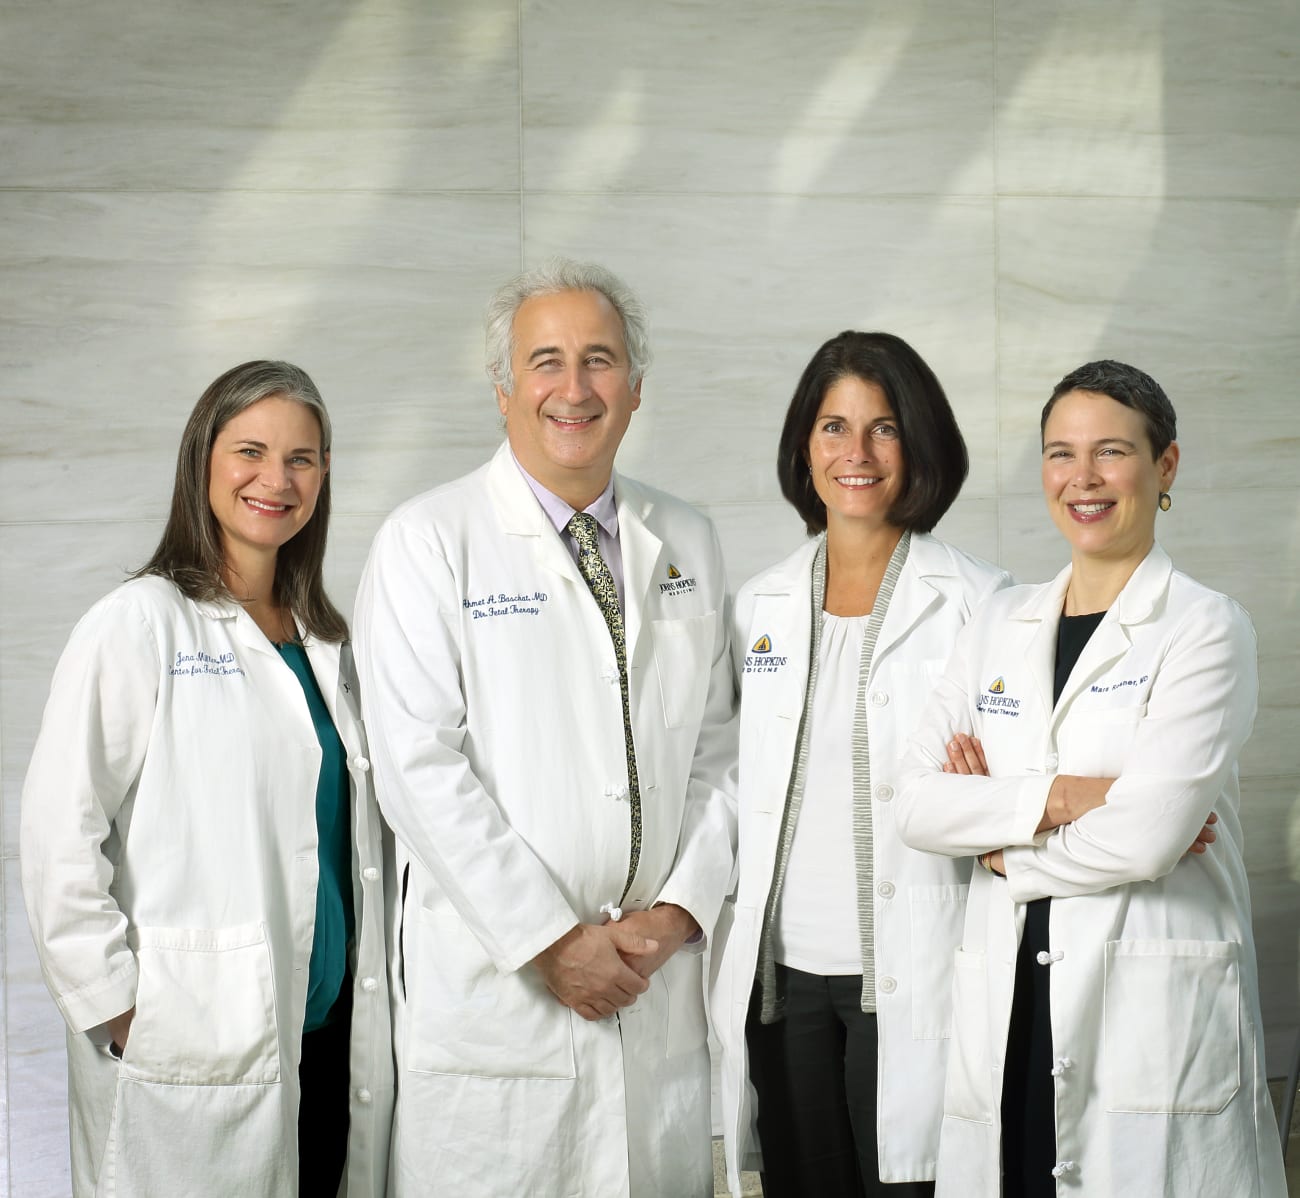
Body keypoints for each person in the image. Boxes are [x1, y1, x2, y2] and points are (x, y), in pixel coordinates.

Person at [352, 259, 736, 1196]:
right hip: (501, 1002)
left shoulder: (686, 539)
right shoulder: (427, 540)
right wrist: (552, 942)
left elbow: (723, 750)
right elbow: (415, 767)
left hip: (654, 991)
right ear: (503, 388)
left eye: (600, 361)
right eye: (547, 361)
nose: (575, 388)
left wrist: (680, 909)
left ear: (636, 389)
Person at [895, 360, 1288, 1197]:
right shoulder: (998, 618)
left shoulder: (1205, 627)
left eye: (1111, 452)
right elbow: (918, 802)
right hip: (1009, 1006)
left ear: (1165, 466)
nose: (1083, 479)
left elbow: (1148, 837)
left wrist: (1003, 850)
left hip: (1148, 1011)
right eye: (1059, 453)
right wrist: (1074, 797)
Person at [21, 361, 394, 1197]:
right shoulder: (138, 623)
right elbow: (58, 833)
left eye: (302, 459)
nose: (276, 479)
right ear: (203, 461)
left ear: (324, 477)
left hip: (329, 1039)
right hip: (191, 1043)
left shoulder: (331, 646)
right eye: (250, 451)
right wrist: (120, 1013)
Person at [709, 331, 1011, 1197]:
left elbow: (1007, 781)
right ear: (804, 446)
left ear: (920, 444)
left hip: (914, 972)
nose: (858, 453)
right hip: (784, 977)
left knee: (910, 1184)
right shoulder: (758, 606)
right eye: (834, 427)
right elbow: (730, 780)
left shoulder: (980, 602)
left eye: (884, 428)